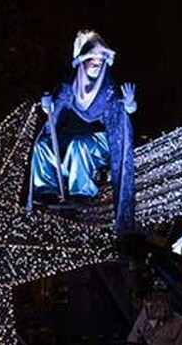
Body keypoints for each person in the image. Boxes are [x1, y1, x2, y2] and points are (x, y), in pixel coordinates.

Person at [28, 30, 136, 231]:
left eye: (100, 59)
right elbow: (56, 109)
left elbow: (119, 113)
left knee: (79, 145)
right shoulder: (69, 86)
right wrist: (47, 107)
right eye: (91, 59)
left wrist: (129, 105)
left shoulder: (109, 89)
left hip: (100, 140)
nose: (96, 63)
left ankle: (82, 192)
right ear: (82, 61)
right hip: (71, 137)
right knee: (42, 145)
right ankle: (46, 190)